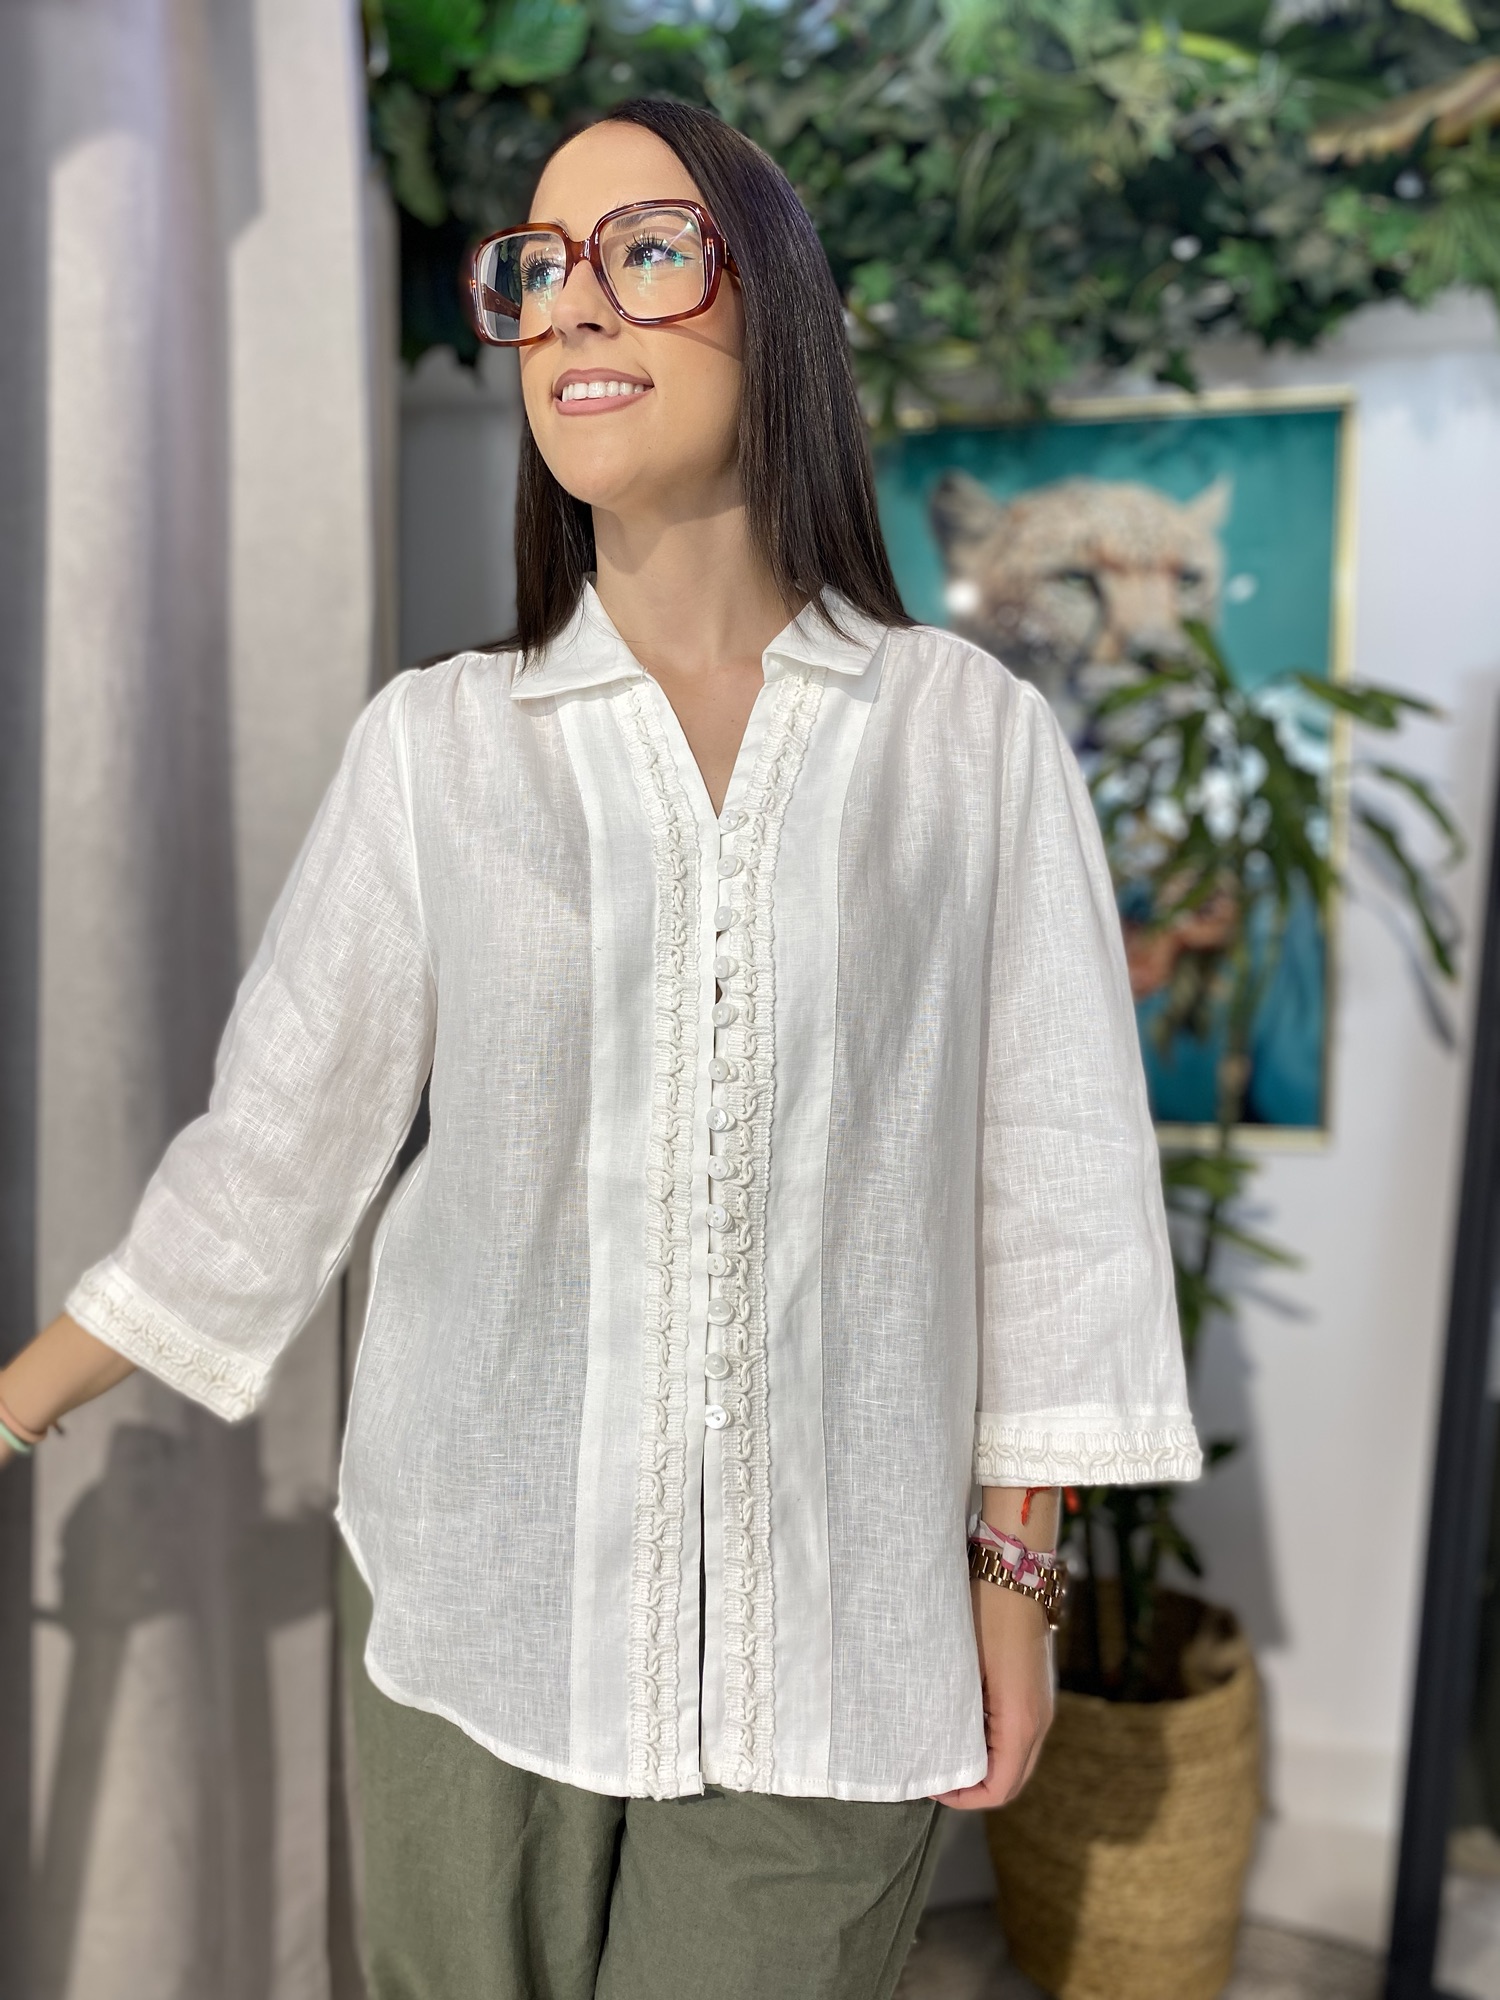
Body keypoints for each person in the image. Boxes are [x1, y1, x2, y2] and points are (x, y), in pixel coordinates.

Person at [0, 98, 1200, 2000]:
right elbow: (277, 1146)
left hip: (841, 1630)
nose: (572, 307)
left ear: (775, 305)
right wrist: (18, 1397)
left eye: (644, 252)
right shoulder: (439, 748)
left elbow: (1046, 1172)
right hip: (480, 1594)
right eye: (538, 269)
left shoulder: (965, 741)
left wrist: (1015, 1572)